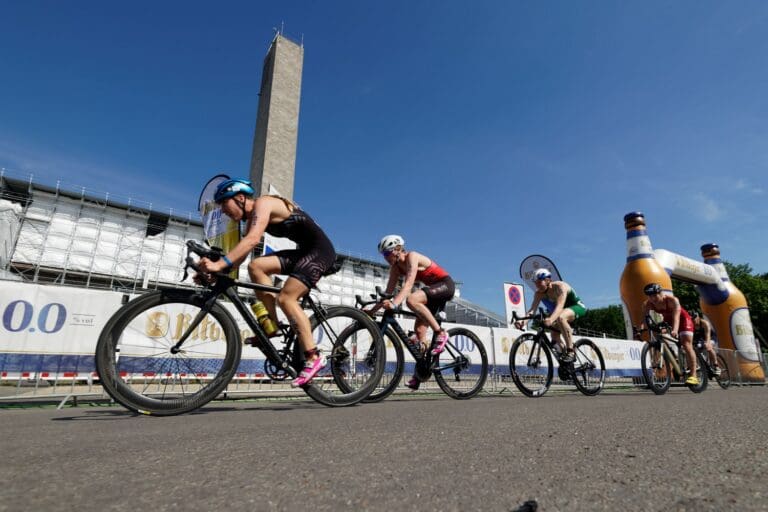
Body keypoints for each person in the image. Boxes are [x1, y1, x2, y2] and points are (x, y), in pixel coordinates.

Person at [196, 178, 336, 387]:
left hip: (320, 252)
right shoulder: (250, 219)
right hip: (303, 253)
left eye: (224, 205)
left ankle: (314, 357)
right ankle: (271, 326)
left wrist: (218, 265)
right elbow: (241, 257)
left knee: (286, 298)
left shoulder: (264, 203)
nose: (224, 211)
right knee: (257, 266)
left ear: (240, 198)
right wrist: (219, 271)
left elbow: (252, 240)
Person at [369, 234, 455, 390]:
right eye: (384, 255)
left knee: (412, 300)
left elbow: (408, 285)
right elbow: (388, 293)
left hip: (445, 285)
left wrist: (395, 304)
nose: (386, 258)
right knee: (420, 332)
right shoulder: (395, 268)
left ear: (398, 249)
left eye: (388, 253)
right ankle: (421, 373)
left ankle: (441, 333)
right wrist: (372, 310)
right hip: (431, 293)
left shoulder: (412, 257)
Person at [515, 268, 586, 363]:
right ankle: (566, 363)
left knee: (561, 318)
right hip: (560, 311)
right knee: (554, 335)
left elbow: (560, 306)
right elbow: (532, 310)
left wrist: (551, 319)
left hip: (576, 306)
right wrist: (522, 322)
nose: (537, 285)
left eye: (540, 282)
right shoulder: (538, 294)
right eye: (536, 282)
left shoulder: (560, 287)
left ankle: (570, 351)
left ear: (548, 280)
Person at [638, 283, 699, 385]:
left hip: (683, 320)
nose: (652, 298)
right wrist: (641, 329)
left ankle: (694, 376)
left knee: (686, 344)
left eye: (655, 295)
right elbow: (645, 320)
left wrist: (675, 330)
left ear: (661, 293)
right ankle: (674, 358)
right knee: (659, 336)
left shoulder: (672, 300)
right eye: (650, 296)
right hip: (667, 321)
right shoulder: (647, 304)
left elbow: (676, 317)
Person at [692, 311, 722, 376]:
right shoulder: (692, 324)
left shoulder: (704, 323)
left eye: (694, 318)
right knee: (693, 349)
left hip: (710, 337)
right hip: (700, 338)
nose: (693, 321)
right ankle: (700, 365)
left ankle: (716, 366)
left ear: (698, 317)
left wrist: (708, 343)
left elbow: (707, 334)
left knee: (708, 347)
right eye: (692, 319)